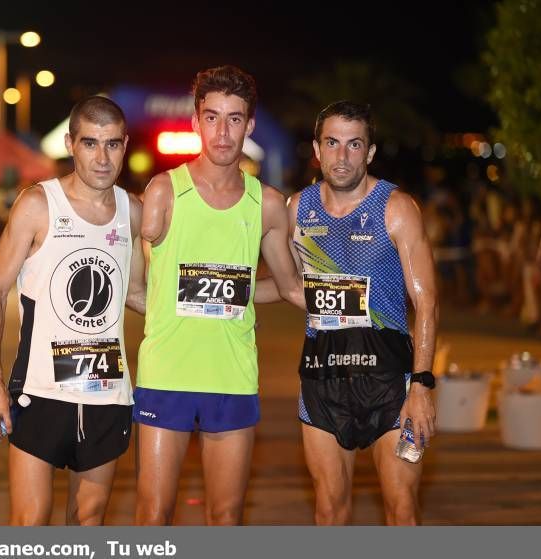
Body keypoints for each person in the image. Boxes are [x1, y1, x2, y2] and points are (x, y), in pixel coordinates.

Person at [135, 65, 304, 525]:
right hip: (166, 373)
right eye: (212, 117)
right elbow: (135, 278)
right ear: (195, 121)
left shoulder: (266, 203)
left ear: (250, 125)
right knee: (153, 515)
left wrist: (362, 303)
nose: (223, 131)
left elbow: (288, 287)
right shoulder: (163, 191)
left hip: (232, 377)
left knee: (226, 516)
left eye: (234, 118)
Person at [0, 96, 146, 525]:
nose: (102, 157)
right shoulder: (37, 204)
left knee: (88, 522)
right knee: (30, 523)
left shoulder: (134, 213)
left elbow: (139, 294)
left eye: (112, 144)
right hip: (41, 393)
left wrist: (215, 305)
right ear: (71, 144)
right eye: (91, 143)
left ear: (125, 145)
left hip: (107, 393)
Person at [286, 100, 438, 524]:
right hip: (322, 377)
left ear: (370, 153)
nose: (343, 155)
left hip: (390, 381)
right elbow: (297, 290)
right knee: (329, 511)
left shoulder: (397, 208)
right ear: (317, 149)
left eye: (355, 145)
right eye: (332, 143)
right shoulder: (298, 209)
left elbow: (427, 302)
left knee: (401, 509)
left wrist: (422, 386)